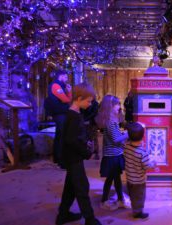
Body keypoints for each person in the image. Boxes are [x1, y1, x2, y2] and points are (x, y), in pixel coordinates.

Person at [56, 83, 101, 225]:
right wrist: (87, 152)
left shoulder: (75, 114)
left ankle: (63, 215)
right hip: (73, 158)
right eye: (88, 101)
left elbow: (76, 137)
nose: (89, 104)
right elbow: (71, 140)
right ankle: (90, 219)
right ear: (79, 98)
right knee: (82, 187)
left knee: (71, 186)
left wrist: (84, 142)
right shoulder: (73, 116)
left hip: (72, 157)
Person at [95, 95, 129, 210]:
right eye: (117, 104)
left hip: (115, 154)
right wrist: (128, 134)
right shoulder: (110, 122)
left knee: (116, 178)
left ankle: (120, 199)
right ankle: (105, 200)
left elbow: (116, 137)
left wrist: (122, 139)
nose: (119, 107)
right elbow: (115, 139)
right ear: (110, 106)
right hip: (112, 156)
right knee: (111, 179)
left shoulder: (112, 121)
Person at [124, 122, 156, 219]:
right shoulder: (142, 153)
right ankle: (137, 213)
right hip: (139, 180)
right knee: (139, 197)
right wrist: (153, 164)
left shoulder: (126, 146)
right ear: (143, 137)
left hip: (130, 178)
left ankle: (134, 207)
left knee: (133, 195)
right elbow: (146, 166)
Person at [44, 70, 72, 168]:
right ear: (61, 76)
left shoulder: (59, 86)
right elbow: (66, 100)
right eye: (66, 77)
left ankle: (56, 158)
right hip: (60, 114)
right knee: (62, 137)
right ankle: (61, 161)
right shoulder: (56, 86)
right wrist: (69, 92)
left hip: (60, 113)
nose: (67, 79)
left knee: (59, 136)